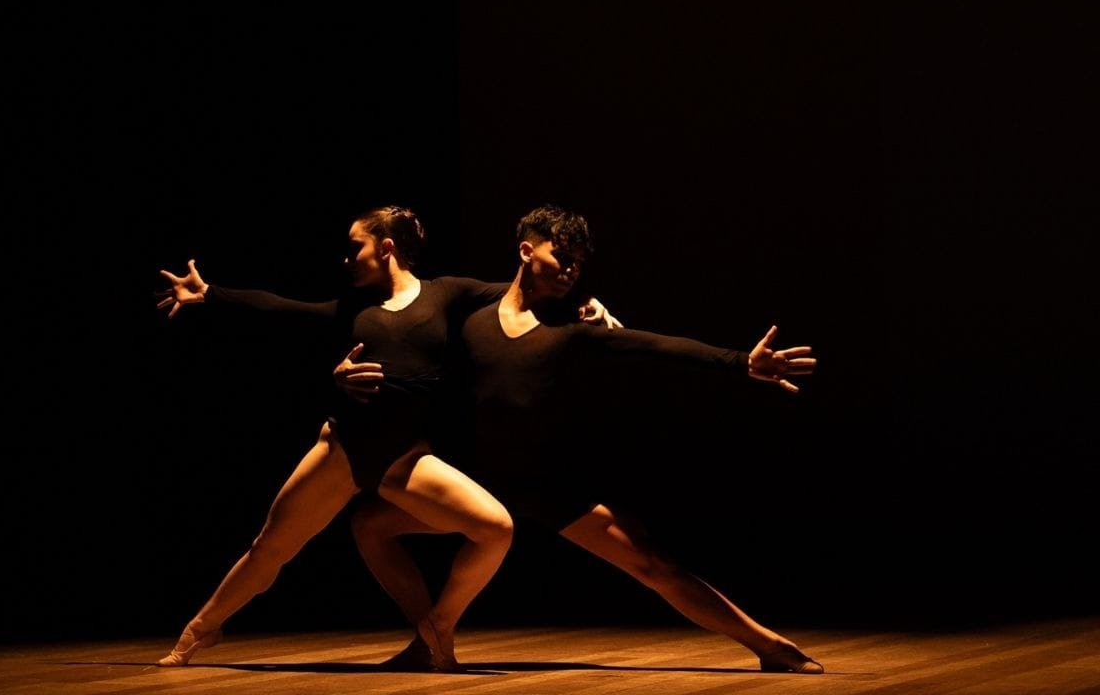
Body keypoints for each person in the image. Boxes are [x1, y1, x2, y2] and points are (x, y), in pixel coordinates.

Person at [339, 204, 825, 674]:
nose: (570, 270)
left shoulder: (574, 327)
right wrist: (341, 375)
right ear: (526, 251)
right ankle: (430, 636)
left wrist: (741, 362)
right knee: (370, 524)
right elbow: (405, 345)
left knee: (651, 564)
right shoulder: (470, 316)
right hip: (477, 483)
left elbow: (654, 346)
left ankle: (767, 643)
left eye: (577, 262)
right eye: (560, 257)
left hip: (547, 484)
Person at [153, 205, 618, 670]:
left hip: (405, 458)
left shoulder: (447, 294)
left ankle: (434, 635)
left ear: (386, 247)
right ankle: (200, 631)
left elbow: (524, 290)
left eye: (356, 245)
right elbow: (283, 310)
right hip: (343, 450)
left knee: (495, 527)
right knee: (270, 549)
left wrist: (585, 305)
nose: (347, 257)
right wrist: (212, 294)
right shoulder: (355, 307)